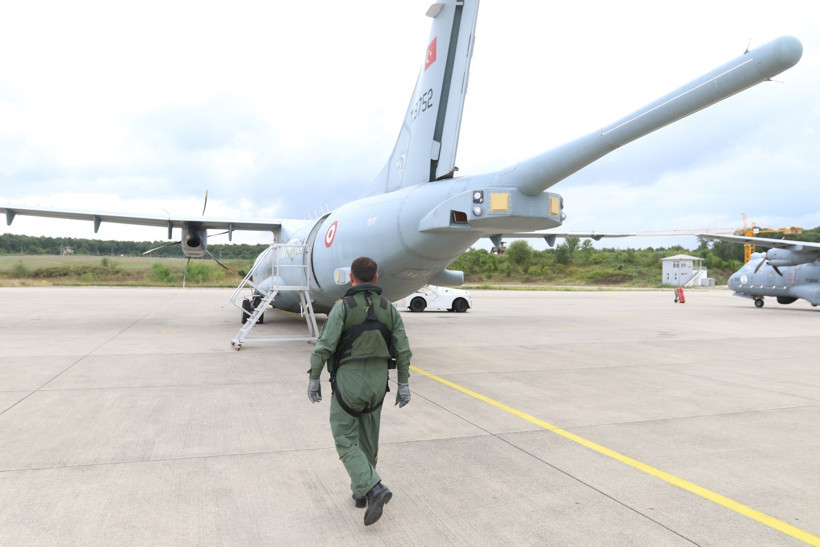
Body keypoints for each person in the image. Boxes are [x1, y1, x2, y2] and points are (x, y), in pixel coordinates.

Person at [308, 256, 412, 526]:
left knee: (344, 437)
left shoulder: (342, 308)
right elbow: (403, 349)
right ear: (376, 279)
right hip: (378, 384)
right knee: (368, 439)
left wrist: (314, 378)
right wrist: (403, 383)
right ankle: (361, 493)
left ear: (351, 278)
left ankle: (374, 488)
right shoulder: (389, 309)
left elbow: (324, 346)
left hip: (349, 384)